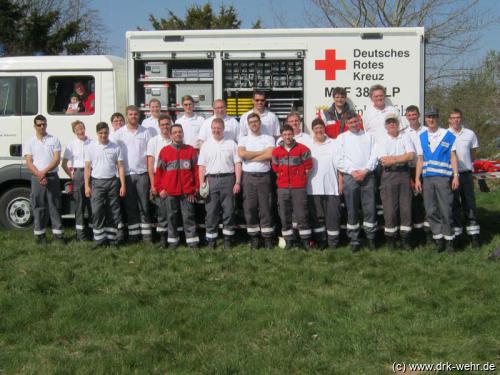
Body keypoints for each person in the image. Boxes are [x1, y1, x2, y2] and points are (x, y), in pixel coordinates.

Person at [414, 107, 460, 253]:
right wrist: (417, 179)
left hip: (443, 179)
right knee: (430, 210)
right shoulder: (421, 136)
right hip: (427, 179)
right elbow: (420, 159)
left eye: (433, 117)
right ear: (425, 119)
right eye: (428, 117)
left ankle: (449, 241)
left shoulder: (448, 135)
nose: (431, 119)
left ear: (438, 118)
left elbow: (453, 157)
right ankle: (439, 240)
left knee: (446, 209)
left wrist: (456, 175)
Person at [337, 110, 378, 252]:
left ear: (359, 121)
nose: (354, 124)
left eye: (355, 121)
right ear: (346, 124)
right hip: (350, 177)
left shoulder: (369, 136)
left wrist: (365, 170)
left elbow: (375, 155)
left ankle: (371, 238)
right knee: (352, 209)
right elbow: (338, 159)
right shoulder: (341, 138)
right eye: (350, 122)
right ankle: (354, 239)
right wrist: (353, 172)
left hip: (368, 176)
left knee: (370, 208)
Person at [198, 118, 242, 249]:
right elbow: (201, 166)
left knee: (229, 210)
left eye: (219, 128)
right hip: (211, 180)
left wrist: (238, 182)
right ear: (211, 129)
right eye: (214, 128)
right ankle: (211, 240)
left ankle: (228, 240)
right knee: (211, 211)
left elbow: (237, 164)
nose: (216, 131)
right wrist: (202, 183)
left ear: (223, 129)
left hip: (228, 179)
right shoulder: (206, 145)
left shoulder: (232, 144)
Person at [112, 105, 154, 243]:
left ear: (139, 115)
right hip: (127, 175)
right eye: (130, 114)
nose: (133, 116)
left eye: (135, 114)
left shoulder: (145, 132)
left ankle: (147, 236)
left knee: (144, 206)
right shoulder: (118, 134)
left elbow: (149, 155)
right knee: (130, 207)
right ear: (126, 116)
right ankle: (134, 236)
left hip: (142, 174)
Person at [155, 124, 200, 249]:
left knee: (189, 217)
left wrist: (195, 189)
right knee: (171, 218)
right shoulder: (164, 151)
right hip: (170, 192)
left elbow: (196, 171)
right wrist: (160, 189)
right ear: (170, 134)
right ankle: (173, 242)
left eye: (180, 132)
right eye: (175, 132)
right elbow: (159, 173)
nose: (178, 134)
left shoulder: (190, 150)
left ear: (183, 133)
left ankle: (192, 242)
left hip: (187, 192)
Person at [24, 115, 65, 245]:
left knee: (55, 206)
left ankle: (58, 235)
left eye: (44, 124)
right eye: (39, 125)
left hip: (52, 176)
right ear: (34, 126)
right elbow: (29, 162)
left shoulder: (54, 139)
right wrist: (39, 174)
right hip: (37, 178)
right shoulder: (30, 142)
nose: (42, 127)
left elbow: (56, 159)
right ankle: (40, 235)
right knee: (38, 206)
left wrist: (44, 172)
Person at [376, 113, 415, 250]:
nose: (392, 124)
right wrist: (401, 157)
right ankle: (391, 241)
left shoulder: (405, 137)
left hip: (404, 174)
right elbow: (384, 161)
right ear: (386, 125)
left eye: (394, 122)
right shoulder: (381, 140)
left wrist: (394, 159)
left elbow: (411, 155)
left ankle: (405, 240)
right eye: (389, 122)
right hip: (389, 176)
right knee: (390, 210)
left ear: (398, 124)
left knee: (406, 209)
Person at [84, 122, 126, 248]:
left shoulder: (115, 147)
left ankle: (112, 239)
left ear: (108, 132)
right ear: (97, 133)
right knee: (97, 211)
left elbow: (120, 167)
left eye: (106, 132)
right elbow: (87, 168)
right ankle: (99, 239)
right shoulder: (91, 147)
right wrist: (87, 185)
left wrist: (123, 185)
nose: (103, 135)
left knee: (113, 211)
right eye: (101, 133)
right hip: (97, 182)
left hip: (113, 181)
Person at [238, 113, 276, 249]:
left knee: (266, 207)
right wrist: (261, 153)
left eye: (256, 121)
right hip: (248, 177)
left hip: (264, 176)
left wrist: (251, 157)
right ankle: (254, 237)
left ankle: (267, 238)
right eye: (251, 122)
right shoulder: (243, 139)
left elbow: (270, 155)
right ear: (248, 124)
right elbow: (242, 154)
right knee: (250, 208)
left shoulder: (268, 138)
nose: (254, 124)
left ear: (260, 123)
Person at [272, 124, 313, 249]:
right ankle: (289, 241)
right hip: (283, 188)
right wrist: (283, 177)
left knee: (301, 214)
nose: (287, 137)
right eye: (285, 134)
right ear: (282, 136)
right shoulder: (276, 151)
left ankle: (305, 241)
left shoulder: (303, 149)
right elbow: (275, 168)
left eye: (289, 134)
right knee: (284, 214)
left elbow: (308, 167)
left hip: (298, 187)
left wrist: (299, 177)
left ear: (293, 134)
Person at [307, 118, 342, 249]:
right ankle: (321, 241)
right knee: (317, 217)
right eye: (316, 129)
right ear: (313, 130)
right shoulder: (308, 145)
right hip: (313, 188)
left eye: (321, 128)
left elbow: (340, 167)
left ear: (324, 128)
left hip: (331, 188)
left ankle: (333, 243)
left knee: (333, 216)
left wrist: (340, 183)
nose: (319, 130)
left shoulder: (334, 143)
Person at [448, 108, 480, 247]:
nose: (456, 120)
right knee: (454, 205)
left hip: (466, 174)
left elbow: (473, 154)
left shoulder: (470, 134)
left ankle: (474, 237)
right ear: (449, 120)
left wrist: (467, 165)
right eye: (453, 117)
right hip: (450, 176)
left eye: (458, 117)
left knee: (470, 204)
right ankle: (457, 236)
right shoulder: (445, 134)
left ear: (461, 118)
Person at [402, 105, 430, 242]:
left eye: (414, 115)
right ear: (406, 117)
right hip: (409, 170)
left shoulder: (427, 130)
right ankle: (417, 232)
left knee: (428, 200)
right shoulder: (403, 132)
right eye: (409, 115)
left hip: (426, 169)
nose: (412, 117)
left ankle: (428, 232)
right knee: (413, 202)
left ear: (419, 115)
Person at [62, 120, 93, 241]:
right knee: (79, 206)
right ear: (74, 132)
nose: (80, 131)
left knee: (92, 205)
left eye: (82, 128)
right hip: (79, 174)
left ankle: (92, 232)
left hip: (91, 173)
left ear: (85, 128)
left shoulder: (92, 143)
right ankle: (80, 235)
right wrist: (72, 175)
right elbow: (64, 164)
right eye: (77, 129)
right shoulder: (71, 144)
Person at [146, 114, 172, 247]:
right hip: (159, 178)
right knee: (162, 210)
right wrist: (153, 185)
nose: (165, 127)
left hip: (172, 178)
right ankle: (163, 238)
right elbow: (150, 165)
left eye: (167, 124)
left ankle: (173, 237)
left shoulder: (175, 140)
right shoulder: (153, 141)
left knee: (173, 210)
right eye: (162, 125)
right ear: (159, 126)